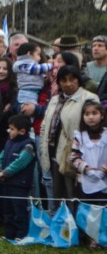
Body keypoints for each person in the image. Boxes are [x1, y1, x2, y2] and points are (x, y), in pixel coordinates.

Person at [38, 65, 99, 209]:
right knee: (59, 198)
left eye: (72, 79)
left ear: (78, 80)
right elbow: (45, 125)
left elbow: (93, 127)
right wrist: (43, 146)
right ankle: (62, 229)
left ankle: (77, 229)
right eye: (64, 80)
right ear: (58, 82)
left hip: (75, 156)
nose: (68, 84)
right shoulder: (54, 100)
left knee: (74, 197)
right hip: (53, 153)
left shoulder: (89, 98)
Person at [0, 115, 38, 240]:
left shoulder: (29, 145)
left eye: (12, 129)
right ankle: (9, 234)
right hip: (6, 183)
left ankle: (21, 234)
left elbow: (21, 162)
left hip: (20, 184)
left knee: (19, 211)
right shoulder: (9, 142)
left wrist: (5, 172)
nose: (9, 131)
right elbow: (1, 157)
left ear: (22, 131)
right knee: (8, 211)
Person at [70, 101, 107, 202]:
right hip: (86, 179)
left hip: (104, 177)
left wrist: (104, 170)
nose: (91, 117)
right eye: (87, 114)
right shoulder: (79, 136)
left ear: (102, 115)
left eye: (94, 113)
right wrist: (85, 169)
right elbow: (74, 155)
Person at [0, 57, 18, 152]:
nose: (0, 71)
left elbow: (12, 110)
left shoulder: (14, 89)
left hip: (4, 130)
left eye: (5, 69)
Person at [13, 42, 51, 108]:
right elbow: (35, 69)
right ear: (29, 54)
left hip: (32, 92)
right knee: (28, 109)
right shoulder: (23, 64)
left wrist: (44, 77)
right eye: (38, 54)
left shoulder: (27, 64)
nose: (39, 58)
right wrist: (49, 65)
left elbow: (37, 75)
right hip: (27, 94)